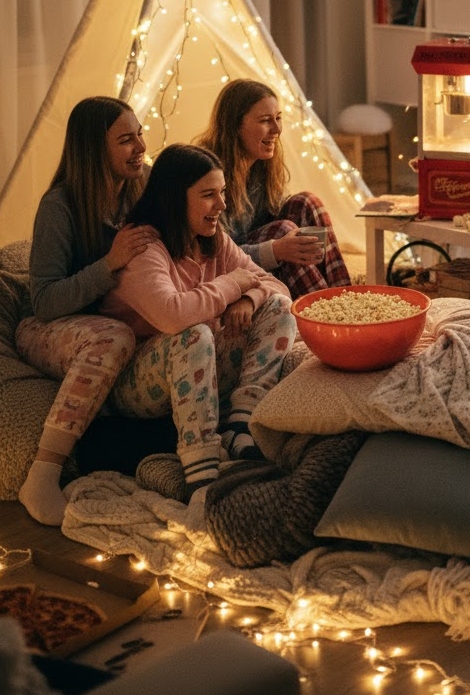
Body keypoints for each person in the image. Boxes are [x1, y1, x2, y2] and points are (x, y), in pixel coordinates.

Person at [100, 144, 296, 501]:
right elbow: (172, 315)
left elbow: (274, 284)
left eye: (221, 193)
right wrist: (230, 285)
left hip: (199, 366)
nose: (222, 205)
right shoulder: (143, 247)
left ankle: (241, 425)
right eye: (208, 195)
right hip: (136, 380)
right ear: (174, 199)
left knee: (278, 306)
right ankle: (201, 471)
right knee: (193, 334)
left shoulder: (213, 238)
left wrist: (248, 299)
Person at [16, 96, 154, 525]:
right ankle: (42, 474)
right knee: (115, 337)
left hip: (113, 321)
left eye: (140, 135)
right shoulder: (59, 207)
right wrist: (109, 264)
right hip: (50, 326)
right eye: (126, 140)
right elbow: (45, 301)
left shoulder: (143, 187)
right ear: (95, 150)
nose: (141, 147)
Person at [196, 79, 352, 297]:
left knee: (307, 203)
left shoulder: (261, 165)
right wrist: (276, 249)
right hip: (222, 269)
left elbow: (272, 214)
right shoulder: (208, 172)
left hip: (255, 256)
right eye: (265, 121)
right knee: (284, 230)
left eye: (278, 118)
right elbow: (213, 255)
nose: (277, 129)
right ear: (235, 125)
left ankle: (345, 295)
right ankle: (326, 312)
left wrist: (300, 243)